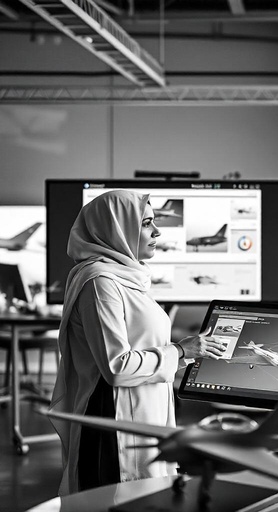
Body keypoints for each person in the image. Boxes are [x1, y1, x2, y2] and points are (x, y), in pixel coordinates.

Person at [49, 190, 226, 495]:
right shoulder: (100, 283)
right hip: (114, 421)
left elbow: (139, 345)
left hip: (141, 411)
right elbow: (117, 367)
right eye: (146, 224)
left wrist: (185, 355)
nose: (157, 232)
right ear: (116, 229)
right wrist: (181, 350)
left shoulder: (126, 277)